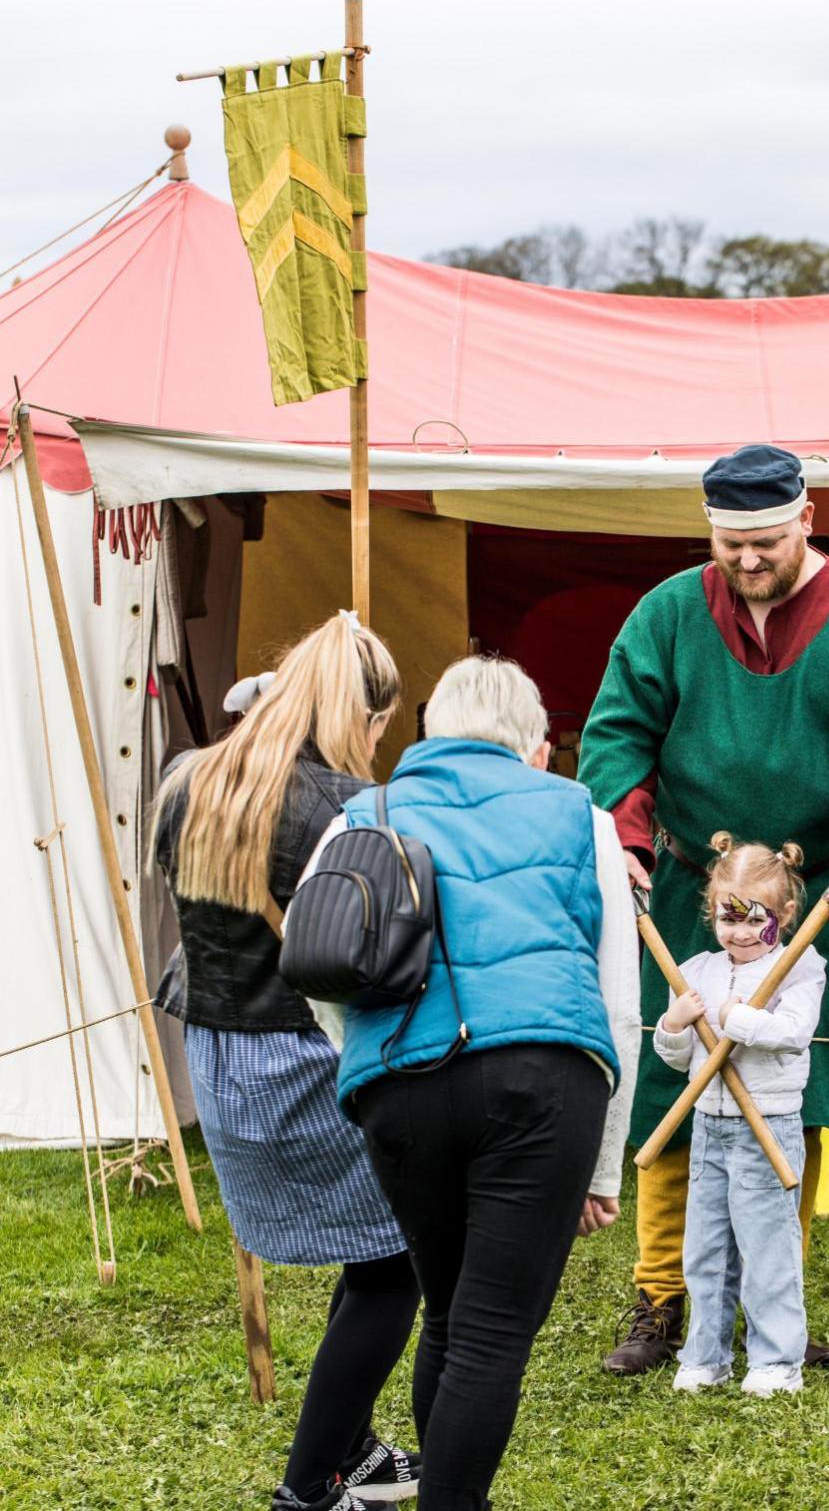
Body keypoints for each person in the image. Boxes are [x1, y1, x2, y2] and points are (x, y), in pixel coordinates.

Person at [578, 443, 829, 1377]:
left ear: (807, 514)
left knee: (796, 1092)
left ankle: (770, 1301)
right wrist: (621, 836)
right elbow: (617, 729)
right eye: (730, 541)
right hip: (693, 892)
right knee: (675, 1086)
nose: (747, 559)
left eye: (767, 540)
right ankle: (663, 1298)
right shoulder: (667, 612)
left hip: (822, 899)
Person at [299, 656, 641, 1511]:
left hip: (402, 1084)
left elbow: (312, 959)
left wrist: (361, 1054)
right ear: (537, 746)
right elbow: (618, 999)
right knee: (489, 1337)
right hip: (544, 1075)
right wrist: (604, 1165)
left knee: (450, 1317)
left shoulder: (360, 813)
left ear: (429, 732)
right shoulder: (580, 813)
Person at [152, 612, 422, 1511]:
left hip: (222, 1058)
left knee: (373, 1253)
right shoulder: (346, 806)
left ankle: (359, 1454)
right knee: (395, 1261)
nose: (379, 743)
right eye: (380, 724)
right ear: (360, 710)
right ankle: (309, 1489)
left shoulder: (187, 779)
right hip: (303, 1059)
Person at [653, 833, 826, 1397]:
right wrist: (676, 1025)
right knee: (705, 1249)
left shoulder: (800, 966)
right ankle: (706, 1355)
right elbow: (677, 1058)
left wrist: (737, 1019)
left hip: (766, 1126)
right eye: (728, 919)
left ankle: (777, 1361)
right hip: (709, 1125)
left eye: (756, 921)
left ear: (785, 914)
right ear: (712, 913)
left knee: (767, 1248)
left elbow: (794, 1034)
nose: (742, 933)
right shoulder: (697, 970)